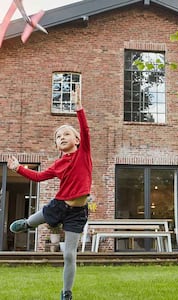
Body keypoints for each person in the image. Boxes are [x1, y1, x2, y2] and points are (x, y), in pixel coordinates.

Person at [7, 86, 92, 300]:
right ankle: (26, 224)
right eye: (58, 136)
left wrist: (78, 107)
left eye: (66, 134)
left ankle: (66, 293)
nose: (62, 137)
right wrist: (18, 168)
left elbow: (85, 129)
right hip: (59, 204)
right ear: (56, 144)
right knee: (34, 220)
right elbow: (38, 177)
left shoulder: (84, 154)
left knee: (70, 255)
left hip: (77, 213)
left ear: (77, 140)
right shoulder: (57, 165)